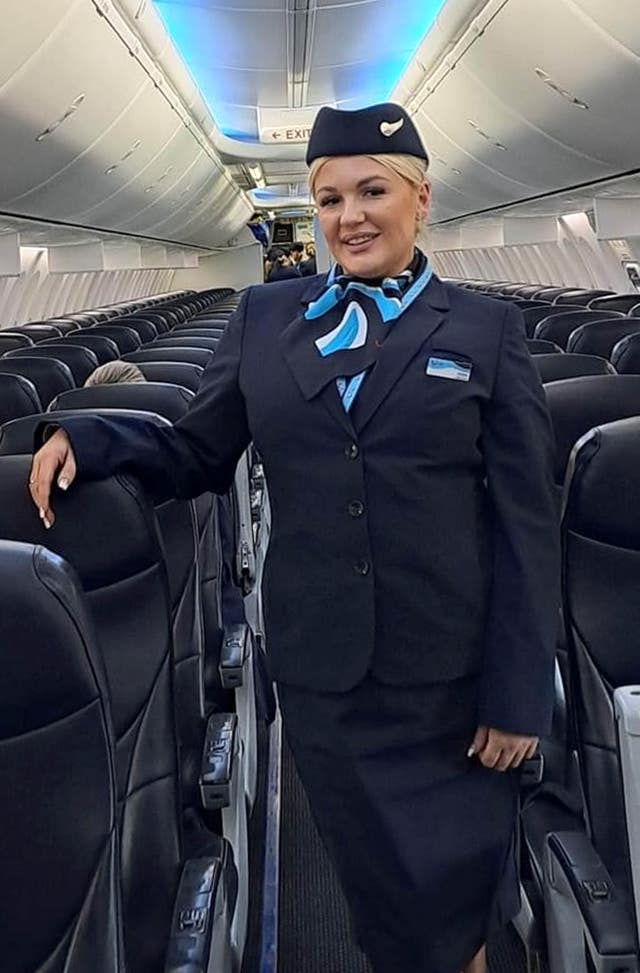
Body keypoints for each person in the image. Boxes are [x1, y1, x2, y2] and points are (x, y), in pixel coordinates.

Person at [28, 102, 559, 973]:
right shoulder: (268, 319)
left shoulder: (483, 330)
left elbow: (525, 521)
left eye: (373, 191)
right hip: (328, 681)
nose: (350, 215)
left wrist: (518, 692)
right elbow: (197, 451)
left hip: (454, 690)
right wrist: (88, 435)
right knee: (383, 906)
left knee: (459, 910)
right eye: (329, 199)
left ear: (422, 198)